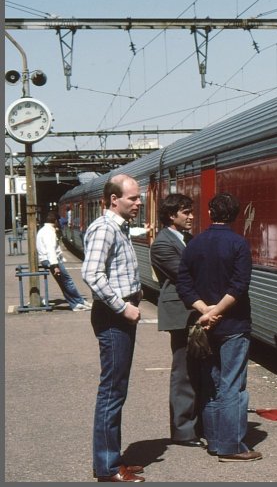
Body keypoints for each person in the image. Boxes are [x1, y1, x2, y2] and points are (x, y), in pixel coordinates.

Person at [176, 193, 262, 463]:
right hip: (234, 324)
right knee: (232, 385)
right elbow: (239, 286)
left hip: (205, 326)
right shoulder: (239, 244)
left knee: (211, 383)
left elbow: (183, 283)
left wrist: (204, 311)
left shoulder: (195, 243)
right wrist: (218, 311)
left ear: (211, 212)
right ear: (236, 215)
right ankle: (231, 446)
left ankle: (214, 441)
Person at [81, 174, 146, 482]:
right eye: (133, 198)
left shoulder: (118, 227)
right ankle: (107, 467)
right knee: (112, 391)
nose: (139, 202)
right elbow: (92, 274)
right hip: (113, 318)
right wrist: (123, 306)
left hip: (119, 314)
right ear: (113, 200)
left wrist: (136, 293)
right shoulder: (105, 228)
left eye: (138, 197)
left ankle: (112, 458)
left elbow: (114, 270)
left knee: (116, 389)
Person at [150, 193, 205, 448]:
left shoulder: (186, 239)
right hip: (181, 313)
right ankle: (183, 431)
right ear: (172, 216)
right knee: (183, 372)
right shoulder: (162, 244)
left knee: (196, 369)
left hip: (192, 311)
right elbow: (185, 273)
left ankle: (196, 424)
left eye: (191, 211)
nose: (191, 216)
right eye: (186, 212)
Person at [36, 210, 91, 311]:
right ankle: (78, 302)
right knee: (67, 282)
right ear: (56, 221)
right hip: (51, 260)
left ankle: (76, 303)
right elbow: (50, 250)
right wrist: (54, 266)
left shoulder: (44, 230)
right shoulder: (49, 232)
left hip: (48, 260)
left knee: (64, 283)